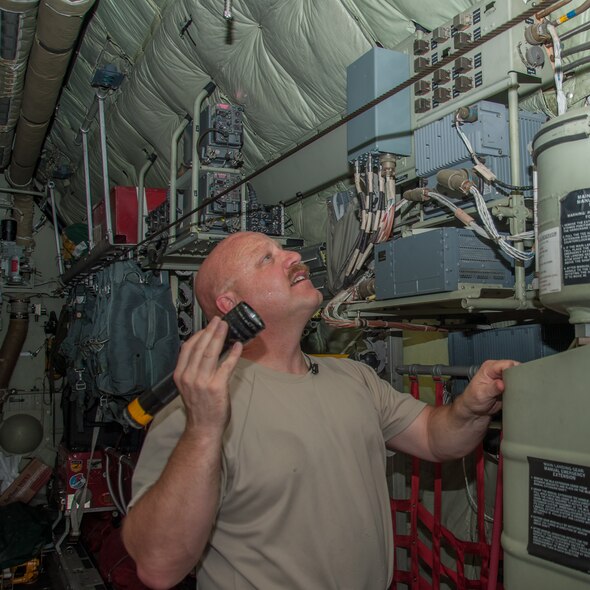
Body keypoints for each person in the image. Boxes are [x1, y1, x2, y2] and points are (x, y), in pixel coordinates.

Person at [122, 231, 516, 589]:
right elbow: (159, 565)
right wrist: (205, 429)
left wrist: (471, 408)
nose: (293, 255)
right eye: (266, 259)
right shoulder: (193, 408)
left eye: (283, 249)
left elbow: (435, 437)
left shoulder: (352, 377)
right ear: (231, 306)